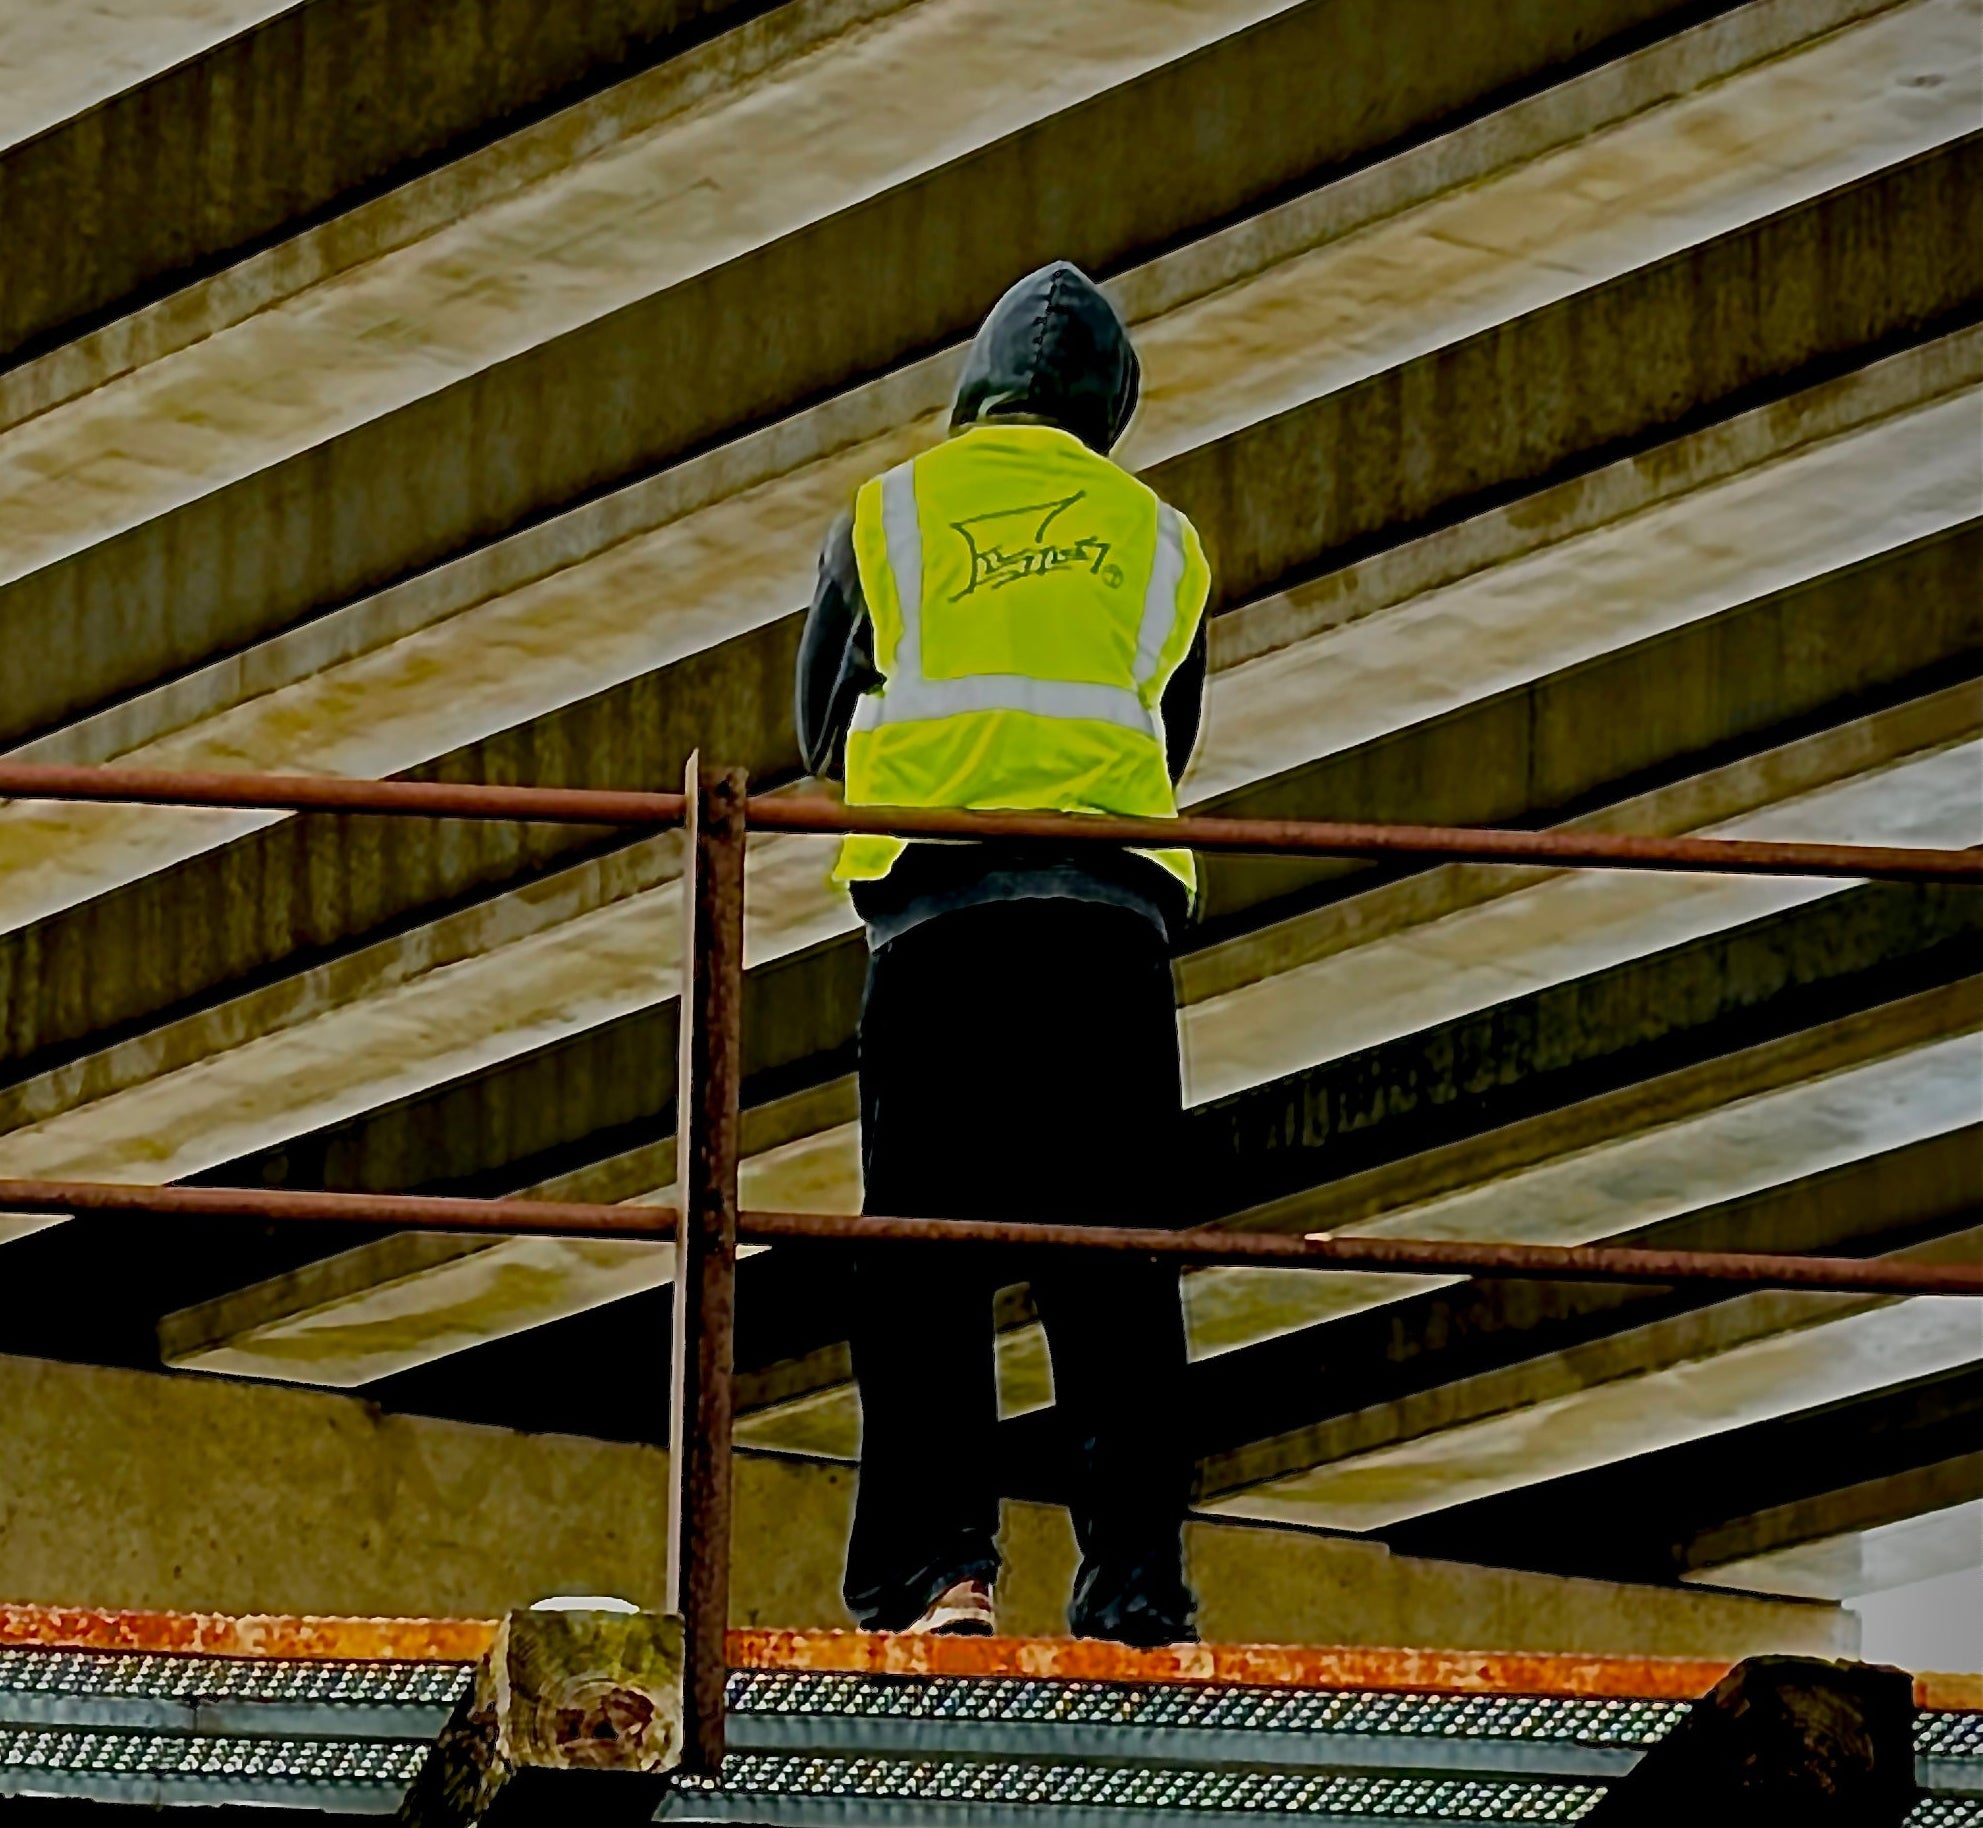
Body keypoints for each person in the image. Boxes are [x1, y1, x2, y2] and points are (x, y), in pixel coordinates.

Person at [794, 261, 1211, 1645]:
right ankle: (1138, 1592)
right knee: (1116, 1265)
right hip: (1107, 934)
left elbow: (820, 718)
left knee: (923, 1259)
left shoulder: (890, 514)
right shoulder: (1162, 540)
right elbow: (1169, 726)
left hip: (942, 927)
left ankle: (938, 1575)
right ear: (1109, 409)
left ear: (975, 386)